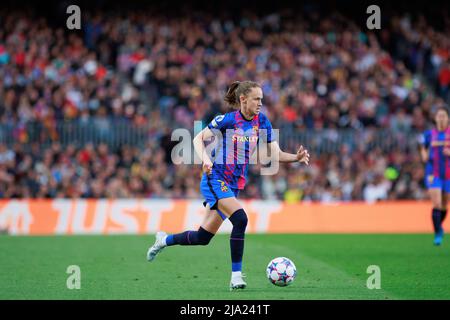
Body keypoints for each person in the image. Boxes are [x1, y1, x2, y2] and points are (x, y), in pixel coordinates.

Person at [146, 80, 310, 290]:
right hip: (215, 178)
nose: (260, 103)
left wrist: (296, 158)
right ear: (243, 99)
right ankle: (236, 277)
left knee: (202, 237)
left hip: (233, 186)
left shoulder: (263, 122)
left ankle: (163, 240)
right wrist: (205, 159)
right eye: (256, 99)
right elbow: (198, 139)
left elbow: (276, 154)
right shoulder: (227, 120)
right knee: (240, 219)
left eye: (262, 99)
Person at [419, 107, 450, 245]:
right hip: (433, 172)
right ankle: (437, 232)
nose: (442, 118)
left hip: (448, 174)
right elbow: (423, 147)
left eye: (444, 116)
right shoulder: (429, 134)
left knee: (444, 205)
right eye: (439, 116)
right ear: (435, 118)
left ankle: (439, 227)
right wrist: (424, 155)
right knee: (436, 202)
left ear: (448, 118)